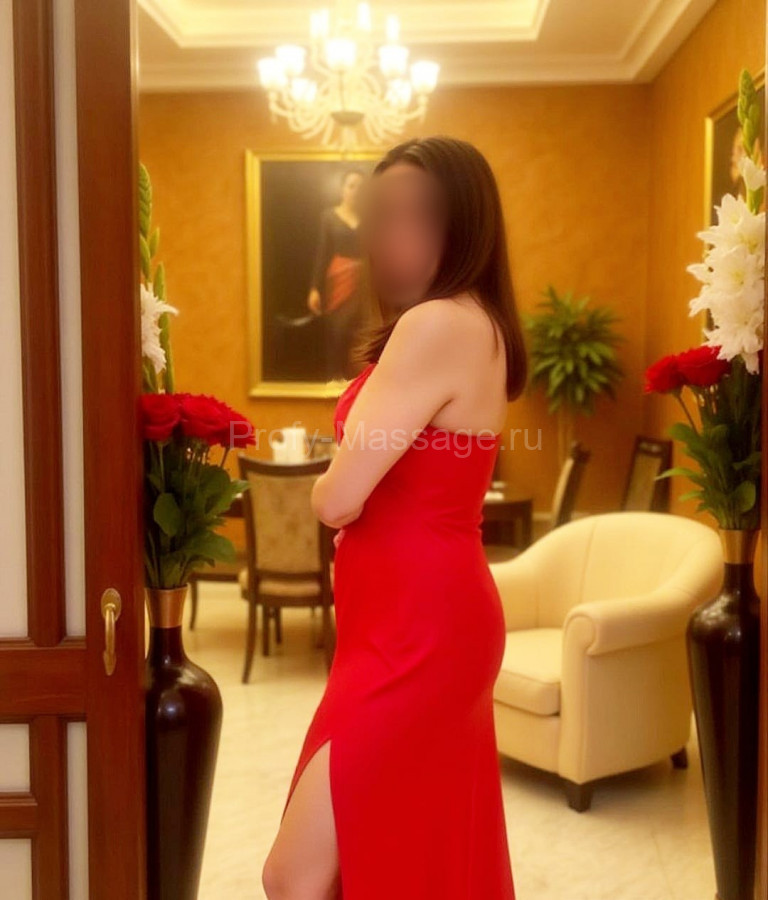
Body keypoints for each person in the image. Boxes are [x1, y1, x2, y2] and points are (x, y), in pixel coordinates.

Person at [262, 135, 528, 900]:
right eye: (385, 215)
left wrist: (334, 487)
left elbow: (336, 498)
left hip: (418, 632)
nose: (391, 234)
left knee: (296, 873)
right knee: (387, 858)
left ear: (465, 221)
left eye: (419, 214)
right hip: (409, 621)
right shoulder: (476, 321)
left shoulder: (437, 322)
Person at [307, 168, 367, 380]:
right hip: (338, 280)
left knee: (360, 331)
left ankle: (358, 381)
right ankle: (334, 378)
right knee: (337, 328)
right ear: (342, 189)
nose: (356, 191)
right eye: (351, 186)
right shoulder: (329, 216)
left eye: (360, 187)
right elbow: (322, 253)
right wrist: (314, 288)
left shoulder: (369, 217)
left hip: (365, 281)